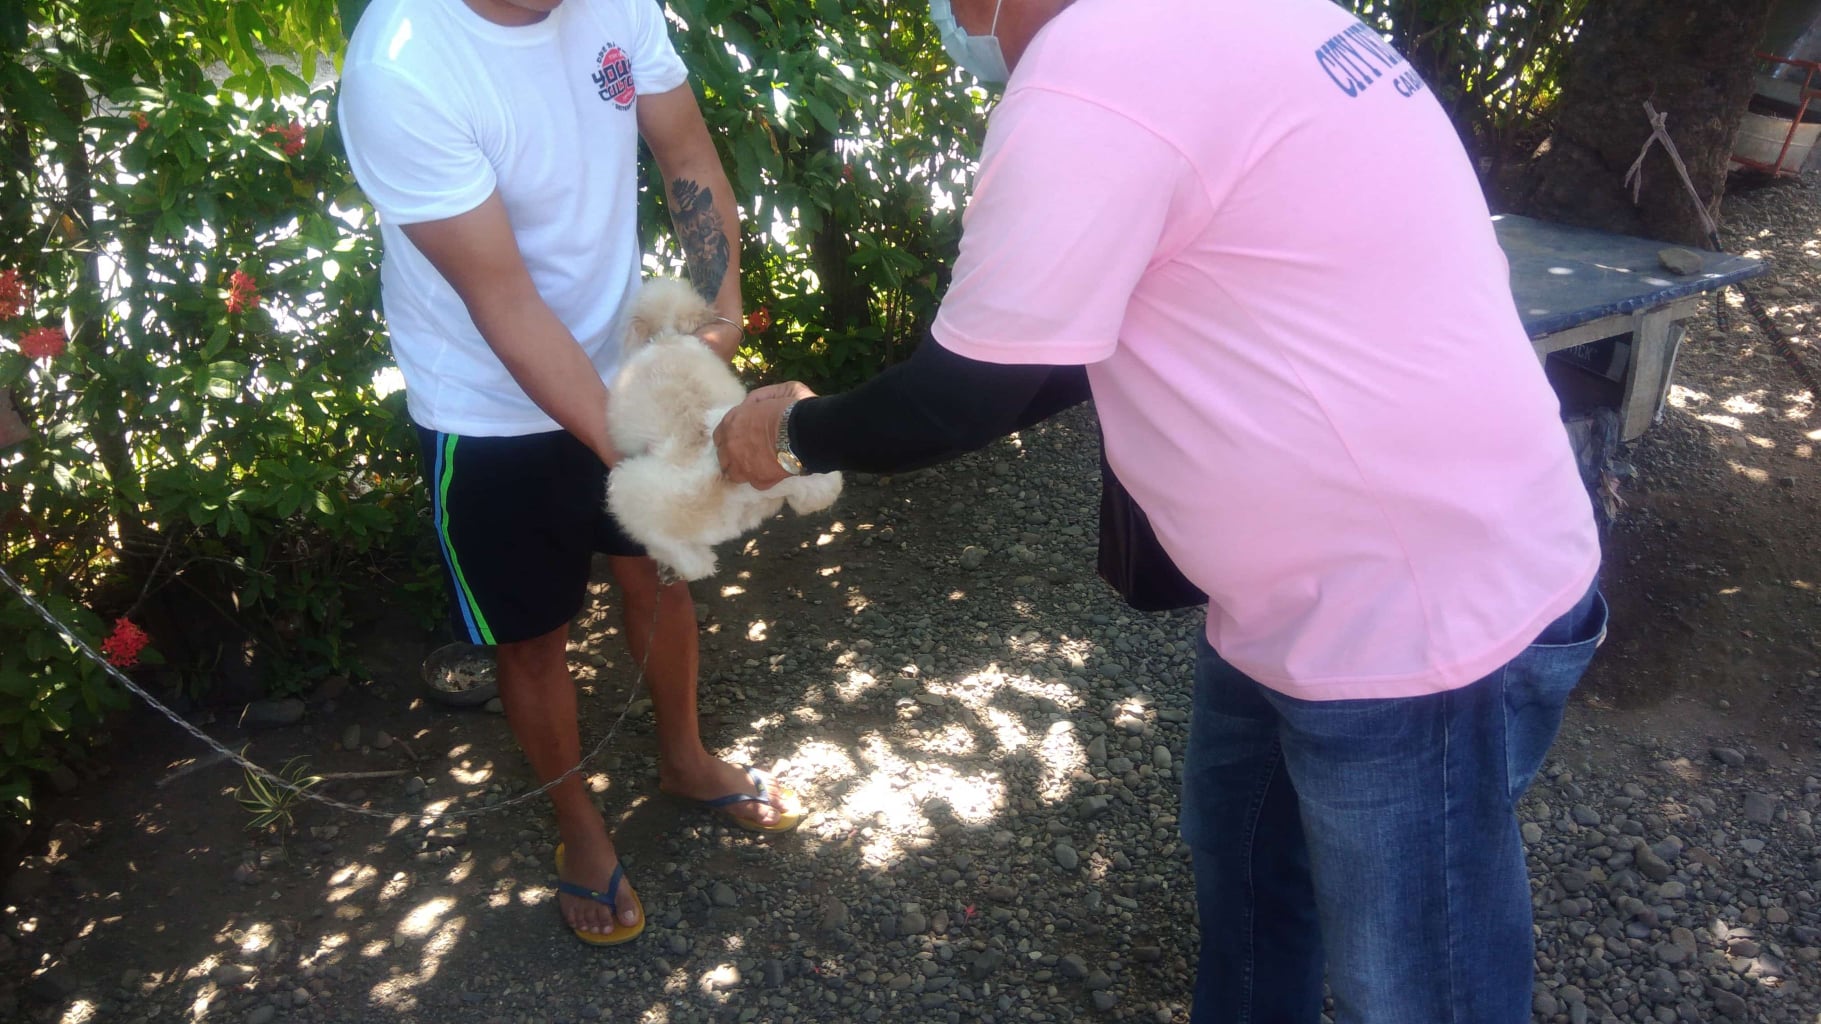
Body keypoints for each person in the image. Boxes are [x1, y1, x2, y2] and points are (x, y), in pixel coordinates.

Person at [715, 0, 1606, 1019]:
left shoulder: (1090, 73)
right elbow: (1045, 348)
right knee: (1252, 880)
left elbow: (959, 395)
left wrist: (792, 429)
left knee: (1417, 989)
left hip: (1411, 619)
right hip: (1333, 591)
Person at [338, 0, 804, 948]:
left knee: (660, 575)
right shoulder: (403, 69)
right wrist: (656, 456)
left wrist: (719, 320)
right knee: (531, 638)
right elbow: (505, 303)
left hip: (620, 363)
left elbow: (686, 158)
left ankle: (683, 757)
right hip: (484, 407)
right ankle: (579, 831)